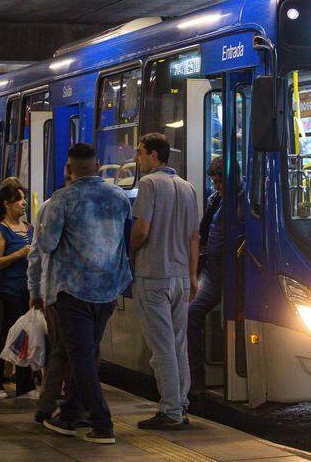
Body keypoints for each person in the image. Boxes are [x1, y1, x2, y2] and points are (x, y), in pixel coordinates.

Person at [33, 142, 131, 444]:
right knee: (85, 354)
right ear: (98, 165)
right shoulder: (119, 197)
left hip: (73, 292)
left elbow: (46, 245)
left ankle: (103, 424)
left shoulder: (63, 199)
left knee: (81, 360)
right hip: (107, 291)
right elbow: (125, 241)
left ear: (68, 168)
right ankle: (70, 414)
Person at [131, 133, 200, 430]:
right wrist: (193, 276)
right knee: (178, 344)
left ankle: (170, 411)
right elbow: (194, 238)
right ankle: (181, 404)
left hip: (153, 275)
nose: (137, 158)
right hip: (181, 277)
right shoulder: (188, 188)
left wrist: (129, 250)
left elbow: (142, 229)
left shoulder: (148, 184)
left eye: (140, 153)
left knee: (161, 348)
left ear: (154, 156)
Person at [187, 157, 245, 394]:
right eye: (214, 182)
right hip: (213, 268)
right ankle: (195, 377)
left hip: (234, 271)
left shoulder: (245, 199)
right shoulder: (216, 198)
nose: (217, 186)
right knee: (191, 312)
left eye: (220, 181)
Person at [28, 166, 73, 425]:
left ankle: (50, 403)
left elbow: (36, 253)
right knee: (71, 350)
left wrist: (35, 290)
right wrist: (35, 289)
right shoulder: (101, 202)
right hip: (63, 292)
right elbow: (38, 252)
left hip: (54, 291)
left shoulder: (49, 206)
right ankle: (67, 403)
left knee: (60, 350)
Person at [0, 185, 36, 399]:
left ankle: (25, 385)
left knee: (26, 336)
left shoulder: (28, 228)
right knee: (6, 336)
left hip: (27, 291)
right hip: (8, 292)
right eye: (19, 200)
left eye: (24, 199)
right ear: (7, 204)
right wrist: (18, 254)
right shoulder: (0, 230)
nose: (23, 203)